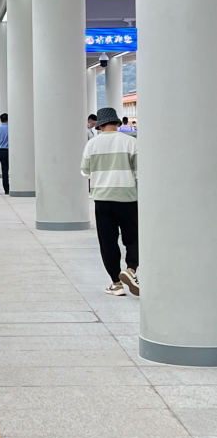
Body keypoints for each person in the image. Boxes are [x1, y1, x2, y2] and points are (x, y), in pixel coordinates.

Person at [81, 107, 139, 297]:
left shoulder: (92, 144)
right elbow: (139, 173)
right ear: (117, 123)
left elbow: (85, 172)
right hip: (127, 198)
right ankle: (130, 270)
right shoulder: (131, 142)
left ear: (99, 125)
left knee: (108, 242)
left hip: (102, 199)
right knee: (132, 237)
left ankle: (116, 283)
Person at [0, 113, 9, 195]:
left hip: (2, 151)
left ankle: (6, 189)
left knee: (4, 170)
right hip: (11, 151)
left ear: (0, 120)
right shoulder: (12, 128)